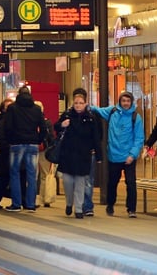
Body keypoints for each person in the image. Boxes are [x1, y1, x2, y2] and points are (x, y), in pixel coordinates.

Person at [92, 91, 145, 218]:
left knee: (131, 183)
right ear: (120, 101)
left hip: (129, 157)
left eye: (128, 101)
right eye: (123, 101)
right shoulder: (112, 112)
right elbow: (97, 110)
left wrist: (132, 155)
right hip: (114, 155)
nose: (126, 103)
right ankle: (110, 204)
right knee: (112, 182)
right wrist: (84, 106)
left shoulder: (135, 117)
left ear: (131, 102)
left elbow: (139, 138)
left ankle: (131, 209)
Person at [0, 86, 50, 212]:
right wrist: (37, 140)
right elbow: (44, 129)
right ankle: (30, 204)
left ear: (18, 94)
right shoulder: (37, 109)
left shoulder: (12, 108)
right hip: (32, 144)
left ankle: (16, 204)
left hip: (16, 144)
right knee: (32, 175)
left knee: (15, 173)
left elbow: (8, 127)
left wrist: (11, 140)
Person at [54, 89, 101, 219]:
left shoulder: (91, 119)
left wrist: (99, 155)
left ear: (85, 104)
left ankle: (79, 209)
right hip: (68, 155)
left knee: (81, 183)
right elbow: (55, 126)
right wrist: (62, 125)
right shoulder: (67, 115)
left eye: (81, 103)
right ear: (73, 104)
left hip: (83, 156)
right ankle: (69, 203)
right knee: (68, 183)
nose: (78, 105)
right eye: (76, 103)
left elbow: (96, 137)